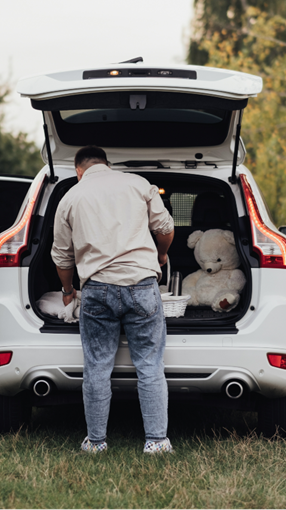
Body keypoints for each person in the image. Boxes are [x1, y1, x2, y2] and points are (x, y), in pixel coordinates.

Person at [51, 146, 175, 454]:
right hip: (142, 286)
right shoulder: (137, 184)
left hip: (97, 290)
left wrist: (68, 290)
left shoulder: (70, 198)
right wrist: (160, 254)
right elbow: (166, 227)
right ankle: (157, 441)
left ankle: (96, 442)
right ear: (107, 164)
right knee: (149, 364)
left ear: (79, 170)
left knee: (97, 367)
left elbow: (62, 257)